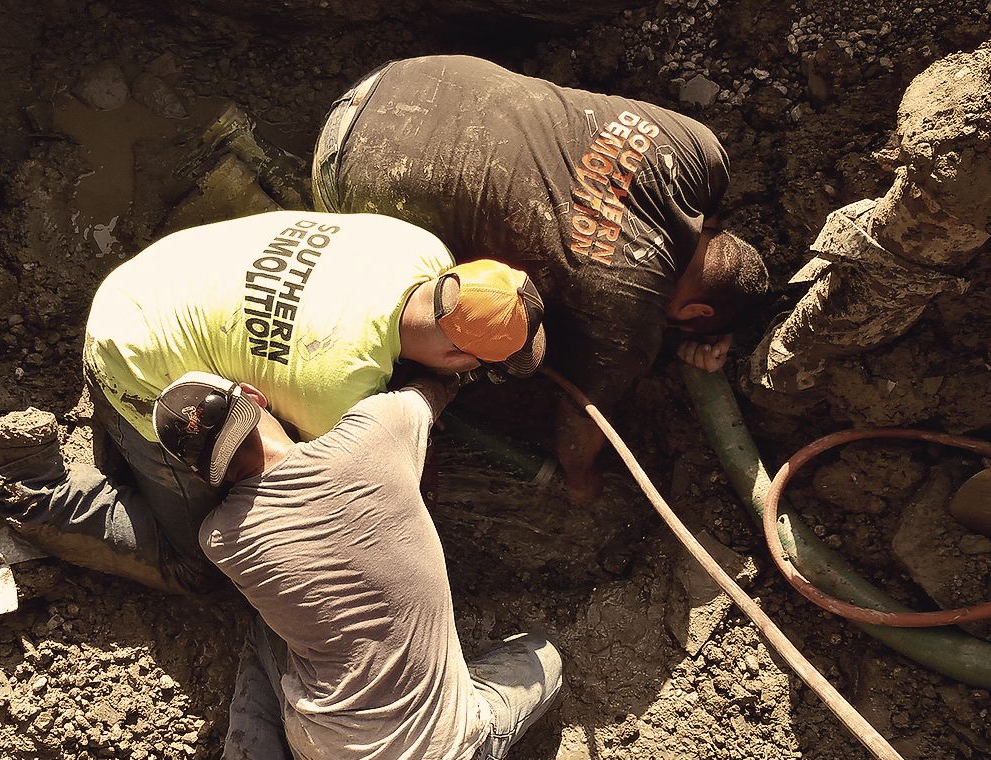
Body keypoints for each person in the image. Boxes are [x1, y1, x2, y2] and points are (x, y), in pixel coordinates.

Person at [0, 210, 546, 594]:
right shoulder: (335, 391)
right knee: (200, 567)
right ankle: (27, 479)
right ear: (459, 358)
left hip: (151, 284)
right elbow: (321, 488)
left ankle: (115, 443)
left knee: (173, 433)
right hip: (137, 355)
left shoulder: (415, 246)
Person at [312, 55, 770, 503]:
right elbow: (584, 414)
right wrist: (580, 480)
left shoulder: (699, 149)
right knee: (464, 327)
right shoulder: (626, 313)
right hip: (352, 169)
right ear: (694, 312)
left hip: (409, 79)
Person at [151, 370, 562, 760]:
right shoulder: (375, 431)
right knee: (543, 655)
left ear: (203, 473)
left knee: (269, 629)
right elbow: (434, 390)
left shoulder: (221, 540)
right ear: (252, 396)